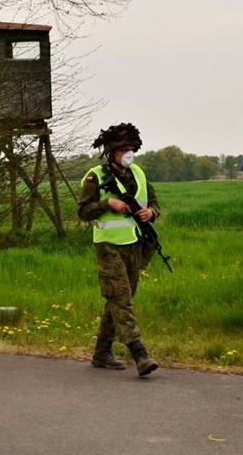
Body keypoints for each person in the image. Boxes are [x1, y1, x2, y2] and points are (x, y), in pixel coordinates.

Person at [77, 122, 160, 377]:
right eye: (123, 148)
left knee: (119, 298)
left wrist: (151, 213)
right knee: (121, 299)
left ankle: (102, 352)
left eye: (131, 148)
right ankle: (140, 354)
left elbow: (155, 203)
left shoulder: (138, 174)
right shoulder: (96, 176)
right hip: (108, 246)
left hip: (135, 245)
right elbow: (83, 211)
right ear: (112, 151)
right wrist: (107, 203)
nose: (128, 153)